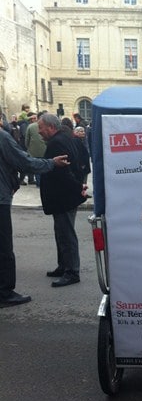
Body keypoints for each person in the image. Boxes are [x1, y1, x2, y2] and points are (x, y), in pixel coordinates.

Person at [0, 119, 70, 308]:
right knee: (4, 248)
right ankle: (4, 293)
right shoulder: (2, 137)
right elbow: (24, 161)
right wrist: (51, 163)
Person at [38, 113, 88, 287]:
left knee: (66, 234)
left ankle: (72, 271)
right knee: (61, 233)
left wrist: (78, 187)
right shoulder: (65, 138)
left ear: (51, 127)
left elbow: (64, 173)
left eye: (41, 128)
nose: (39, 132)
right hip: (64, 196)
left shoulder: (57, 142)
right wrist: (80, 186)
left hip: (63, 197)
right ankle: (64, 265)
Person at [25, 113, 47, 187]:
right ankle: (44, 182)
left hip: (33, 150)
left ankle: (38, 183)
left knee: (37, 166)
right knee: (44, 165)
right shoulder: (46, 125)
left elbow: (27, 139)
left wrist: (28, 147)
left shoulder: (30, 126)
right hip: (44, 149)